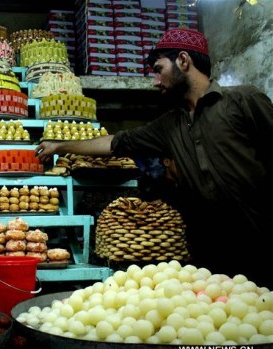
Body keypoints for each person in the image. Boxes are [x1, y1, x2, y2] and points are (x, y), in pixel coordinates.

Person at [36, 28, 273, 287]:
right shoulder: (170, 125)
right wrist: (59, 146)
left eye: (159, 69)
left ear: (183, 61)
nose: (156, 81)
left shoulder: (243, 101)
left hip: (263, 244)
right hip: (211, 258)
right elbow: (116, 143)